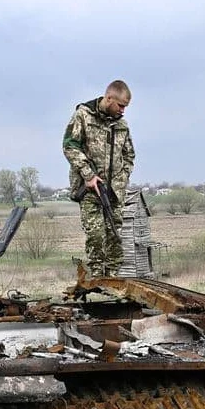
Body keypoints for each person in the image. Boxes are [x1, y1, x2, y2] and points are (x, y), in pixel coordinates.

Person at [63, 79, 135, 276]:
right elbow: (70, 145)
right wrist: (89, 175)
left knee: (114, 236)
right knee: (95, 235)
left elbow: (129, 155)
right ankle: (96, 276)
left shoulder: (122, 125)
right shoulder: (83, 116)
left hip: (114, 192)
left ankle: (112, 278)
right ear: (109, 98)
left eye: (125, 107)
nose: (123, 110)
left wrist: (122, 179)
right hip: (89, 190)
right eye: (120, 105)